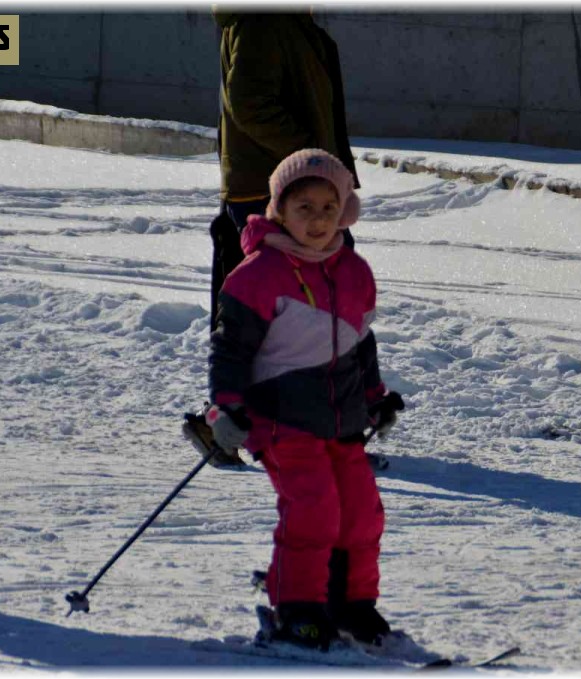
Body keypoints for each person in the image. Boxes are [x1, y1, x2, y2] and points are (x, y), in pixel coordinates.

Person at [206, 149, 402, 650]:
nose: (317, 220)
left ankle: (351, 604)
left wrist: (376, 398)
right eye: (304, 207)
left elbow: (361, 341)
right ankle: (297, 605)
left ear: (345, 212)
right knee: (314, 508)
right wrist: (225, 408)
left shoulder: (353, 270)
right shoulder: (257, 274)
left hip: (341, 421)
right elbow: (230, 349)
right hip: (280, 418)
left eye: (328, 208)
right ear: (280, 210)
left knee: (360, 512)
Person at [210, 9, 360, 330]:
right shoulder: (265, 18)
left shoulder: (290, 21)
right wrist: (307, 156)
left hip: (294, 184)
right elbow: (249, 103)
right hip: (277, 188)